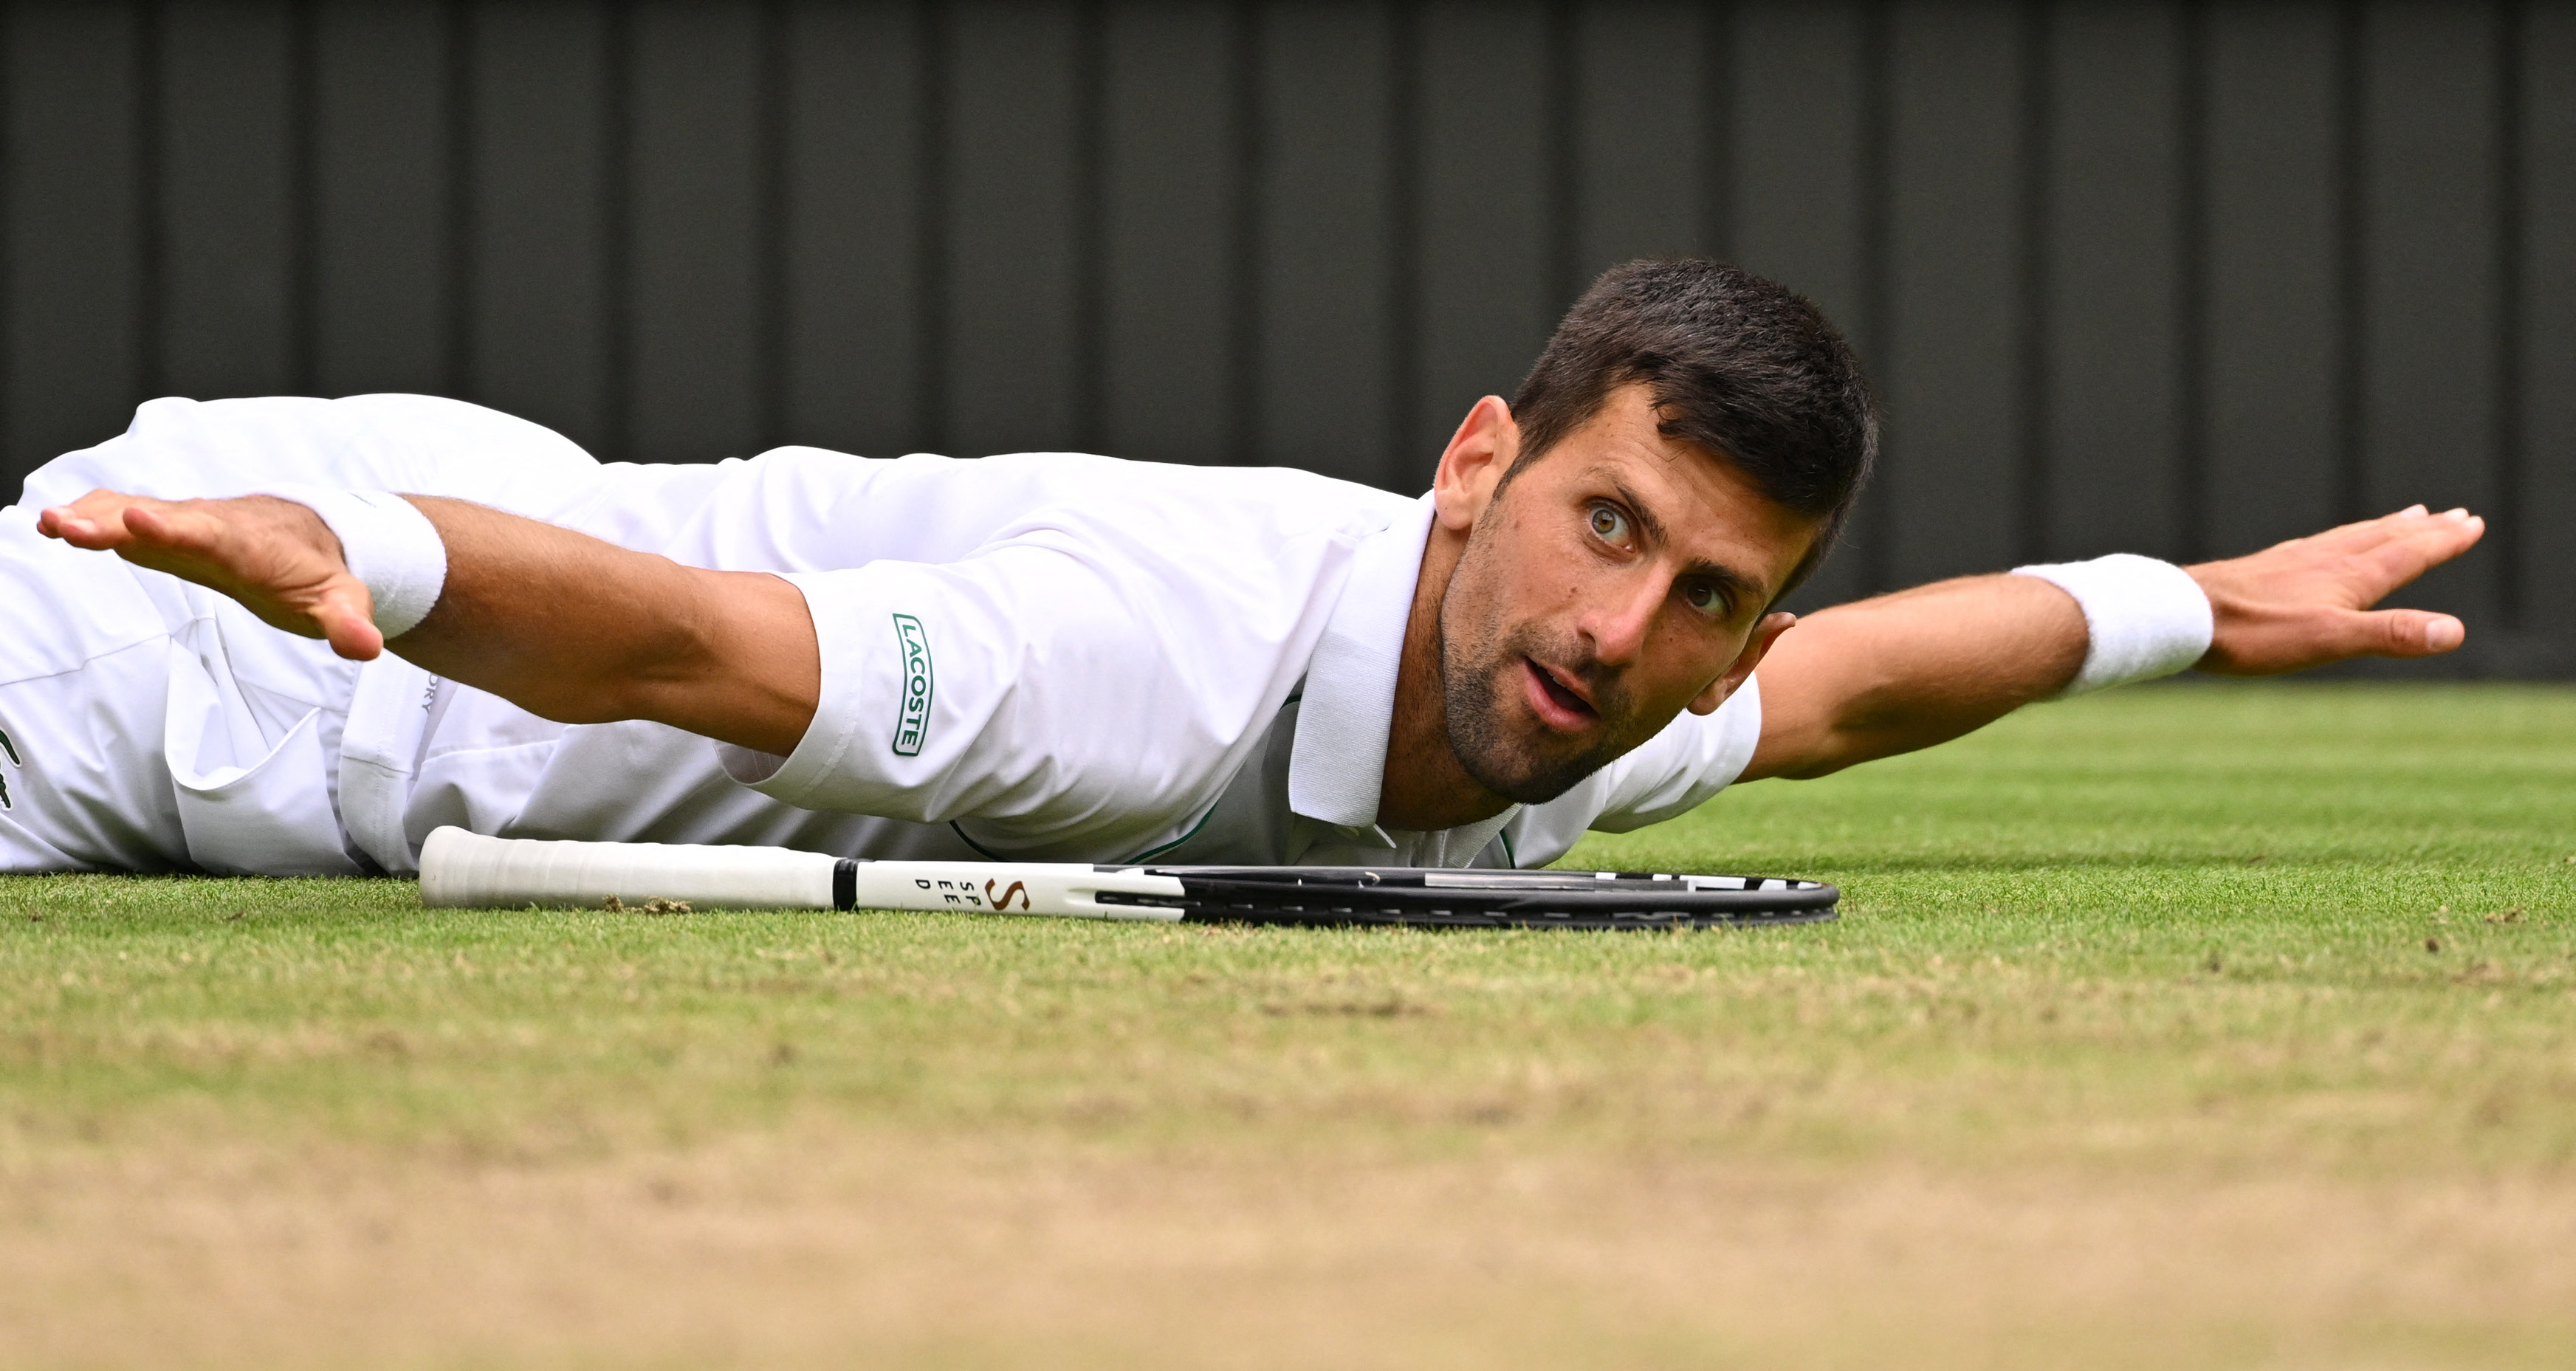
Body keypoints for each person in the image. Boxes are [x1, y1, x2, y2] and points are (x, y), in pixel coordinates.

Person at [12, 259, 2480, 877]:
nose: (1635, 633)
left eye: (1707, 589)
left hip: (382, 601)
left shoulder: (1608, 696)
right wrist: (367, 551)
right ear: (1471, 463)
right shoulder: (1143, 654)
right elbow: (690, 640)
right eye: (1605, 527)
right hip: (248, 635)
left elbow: (1863, 678)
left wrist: (2186, 600)